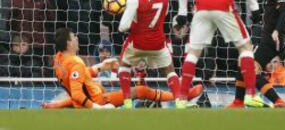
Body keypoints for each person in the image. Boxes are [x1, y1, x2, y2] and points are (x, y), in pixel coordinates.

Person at [42, 28, 202, 109]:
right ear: (69, 43)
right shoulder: (76, 61)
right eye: (73, 37)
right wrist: (98, 109)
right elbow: (77, 94)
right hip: (96, 102)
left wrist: (100, 67)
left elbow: (76, 84)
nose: (76, 38)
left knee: (95, 87)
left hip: (87, 100)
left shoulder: (59, 60)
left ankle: (181, 96)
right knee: (140, 90)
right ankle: (183, 96)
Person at [118, 0, 202, 109]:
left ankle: (126, 102)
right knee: (169, 71)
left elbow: (123, 27)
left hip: (138, 42)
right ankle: (180, 101)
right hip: (158, 42)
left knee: (123, 66)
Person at [228, 0, 285, 108]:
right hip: (271, 36)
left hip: (270, 37)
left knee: (249, 67)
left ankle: (277, 101)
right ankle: (238, 101)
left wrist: (276, 30)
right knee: (243, 63)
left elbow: (284, 12)